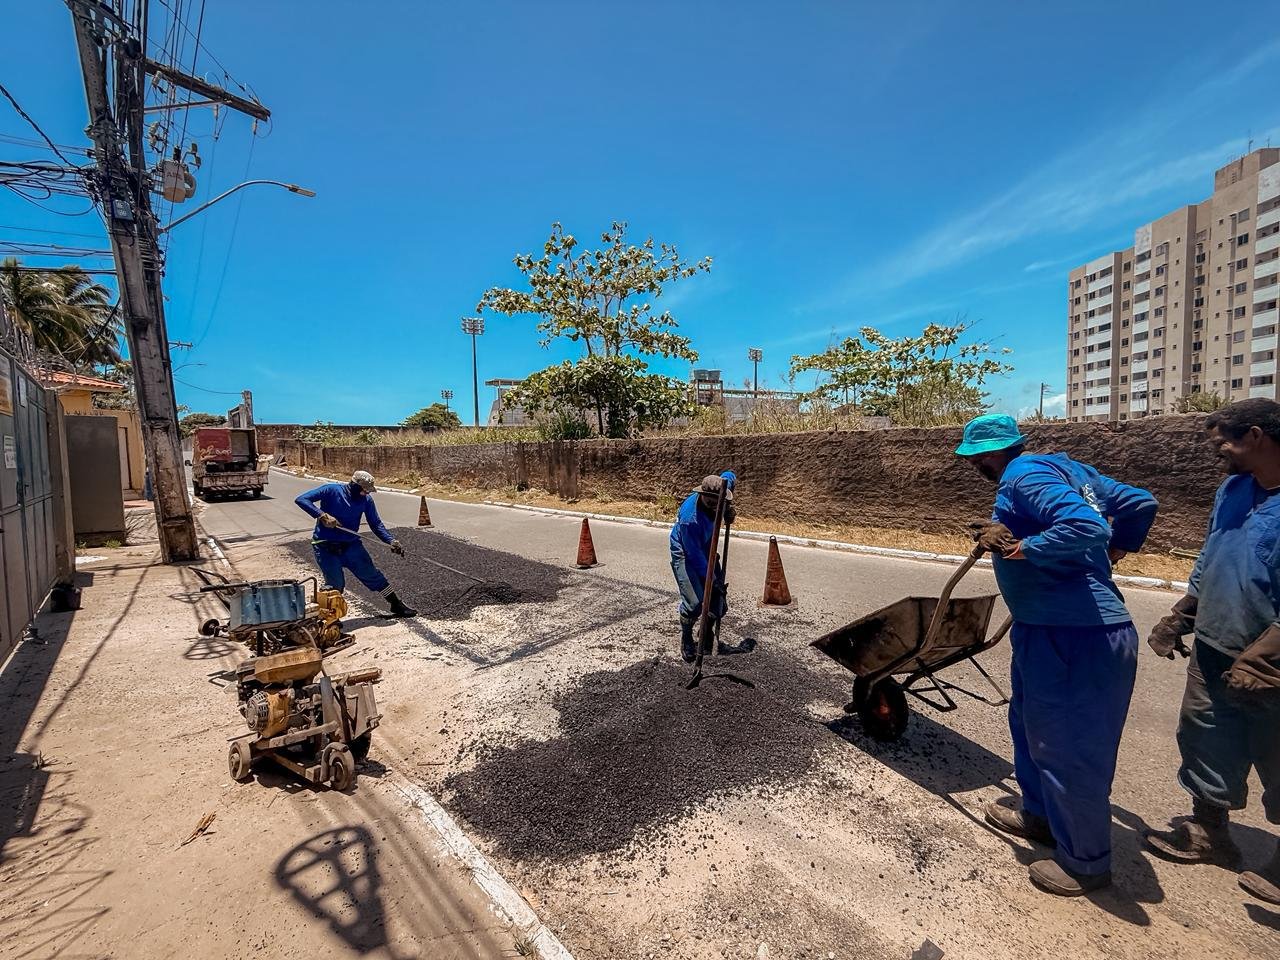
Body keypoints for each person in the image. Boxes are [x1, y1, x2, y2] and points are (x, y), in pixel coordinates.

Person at [958, 413, 1158, 896]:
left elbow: (1086, 526)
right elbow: (1140, 503)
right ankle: (1041, 815)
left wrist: (1022, 549)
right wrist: (1120, 551)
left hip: (1076, 634)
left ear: (990, 454)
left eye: (975, 459)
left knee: (1069, 748)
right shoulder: (1073, 470)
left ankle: (1085, 863)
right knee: (1032, 727)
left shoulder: (1021, 475)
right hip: (1045, 627)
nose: (975, 468)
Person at [1143, 399, 1280, 906]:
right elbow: (1212, 555)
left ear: (1256, 436)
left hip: (1271, 663)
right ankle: (1209, 832)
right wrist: (1183, 613)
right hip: (1216, 645)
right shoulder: (1234, 489)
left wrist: (1264, 656)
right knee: (1204, 733)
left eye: (1223, 442)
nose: (1216, 451)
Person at [295, 470, 418, 618]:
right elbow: (301, 499)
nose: (366, 493)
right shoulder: (331, 490)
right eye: (364, 490)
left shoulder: (366, 500)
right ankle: (329, 618)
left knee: (373, 575)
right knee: (335, 584)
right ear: (354, 485)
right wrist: (322, 515)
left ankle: (396, 605)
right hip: (325, 546)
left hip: (351, 545)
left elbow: (376, 524)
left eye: (369, 491)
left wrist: (390, 540)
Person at [670, 471, 736, 663]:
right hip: (685, 552)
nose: (716, 507)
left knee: (718, 602)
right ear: (702, 495)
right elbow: (695, 557)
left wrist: (729, 509)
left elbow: (730, 475)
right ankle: (687, 638)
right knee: (695, 603)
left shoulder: (723, 489)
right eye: (711, 503)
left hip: (707, 547)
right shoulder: (690, 519)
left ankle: (706, 634)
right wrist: (712, 579)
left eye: (719, 503)